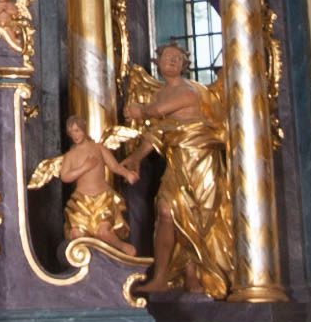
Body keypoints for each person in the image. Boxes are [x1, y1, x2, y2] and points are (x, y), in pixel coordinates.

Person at [121, 43, 236, 296]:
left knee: (199, 216)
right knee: (167, 211)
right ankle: (162, 277)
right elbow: (157, 133)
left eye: (178, 58)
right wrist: (137, 157)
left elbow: (158, 112)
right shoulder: (160, 94)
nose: (173, 60)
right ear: (158, 62)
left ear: (184, 65)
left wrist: (141, 111)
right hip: (177, 163)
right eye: (168, 56)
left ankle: (198, 275)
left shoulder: (191, 90)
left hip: (201, 161)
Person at [27, 116, 138, 256]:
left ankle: (122, 248)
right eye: (71, 132)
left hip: (102, 198)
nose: (75, 135)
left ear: (84, 129)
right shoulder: (70, 155)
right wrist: (84, 167)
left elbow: (114, 166)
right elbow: (65, 177)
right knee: (77, 235)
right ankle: (90, 260)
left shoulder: (98, 148)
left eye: (77, 130)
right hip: (81, 201)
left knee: (103, 232)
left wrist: (127, 174)